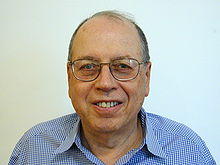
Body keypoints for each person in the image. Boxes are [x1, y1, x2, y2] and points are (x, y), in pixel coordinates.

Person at [9, 10, 216, 165]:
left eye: (123, 66)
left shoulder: (189, 151)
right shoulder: (32, 150)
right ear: (69, 77)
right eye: (88, 66)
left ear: (146, 77)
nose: (105, 83)